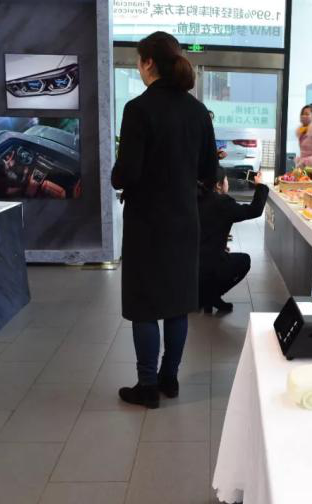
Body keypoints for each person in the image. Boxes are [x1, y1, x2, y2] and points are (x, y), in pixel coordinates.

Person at [111, 32, 218, 409]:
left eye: (138, 62)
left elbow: (126, 173)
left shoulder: (138, 109)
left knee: (144, 304)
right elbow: (209, 170)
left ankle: (147, 386)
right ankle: (169, 378)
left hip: (147, 222)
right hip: (184, 219)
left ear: (149, 63)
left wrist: (117, 177)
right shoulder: (197, 111)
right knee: (176, 302)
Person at [198, 165, 269, 313]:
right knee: (244, 260)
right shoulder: (223, 203)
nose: (227, 183)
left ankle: (205, 296)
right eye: (226, 180)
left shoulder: (195, 198)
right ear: (219, 185)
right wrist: (260, 186)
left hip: (188, 267)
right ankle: (210, 297)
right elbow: (255, 210)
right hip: (209, 265)